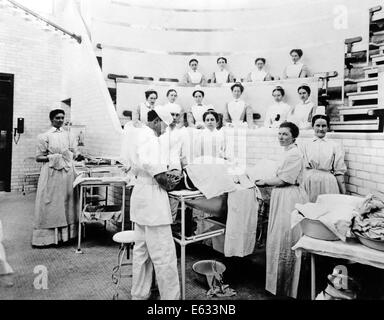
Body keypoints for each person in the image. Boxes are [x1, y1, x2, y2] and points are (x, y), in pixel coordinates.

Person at [129, 107, 180, 300]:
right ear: (157, 121)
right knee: (164, 254)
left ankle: (139, 294)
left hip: (141, 196)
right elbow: (157, 172)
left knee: (141, 252)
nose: (165, 130)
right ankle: (170, 300)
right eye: (165, 126)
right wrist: (170, 184)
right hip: (152, 200)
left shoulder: (137, 134)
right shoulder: (151, 138)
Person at [255, 122, 308, 298]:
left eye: (285, 134)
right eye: (279, 134)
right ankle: (277, 284)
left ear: (294, 136)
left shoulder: (294, 154)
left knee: (285, 238)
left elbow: (284, 180)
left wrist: (264, 182)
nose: (281, 137)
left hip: (289, 198)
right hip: (283, 197)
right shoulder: (288, 152)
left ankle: (286, 286)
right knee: (279, 238)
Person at [32, 107, 78, 247]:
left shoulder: (69, 135)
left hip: (67, 172)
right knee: (51, 203)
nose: (60, 120)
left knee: (67, 201)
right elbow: (38, 158)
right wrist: (55, 157)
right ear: (51, 119)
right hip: (51, 173)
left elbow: (74, 153)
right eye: (57, 118)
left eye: (62, 118)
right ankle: (49, 238)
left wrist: (72, 155)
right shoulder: (44, 136)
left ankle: (67, 236)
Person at [301, 108, 347, 203]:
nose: (321, 129)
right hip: (310, 182)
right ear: (313, 126)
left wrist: (344, 194)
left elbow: (339, 172)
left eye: (324, 126)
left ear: (328, 127)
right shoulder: (305, 144)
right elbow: (300, 168)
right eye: (318, 125)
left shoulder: (335, 146)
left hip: (328, 183)